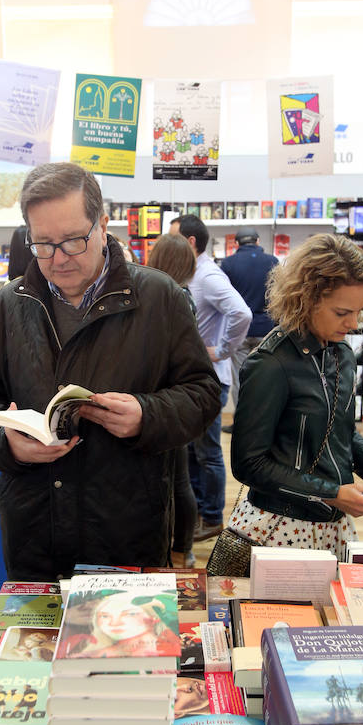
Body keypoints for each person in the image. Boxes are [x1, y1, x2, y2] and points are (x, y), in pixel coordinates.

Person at [0, 162, 221, 580]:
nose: (57, 258)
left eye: (73, 241)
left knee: (124, 642)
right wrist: (5, 443)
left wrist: (146, 415)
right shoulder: (7, 307)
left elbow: (204, 394)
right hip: (34, 535)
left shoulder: (159, 298)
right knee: (35, 645)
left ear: (102, 224)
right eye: (42, 244)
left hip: (126, 530)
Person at [230, 233, 363, 563]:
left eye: (359, 311)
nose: (353, 323)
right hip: (279, 528)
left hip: (332, 523)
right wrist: (332, 493)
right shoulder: (271, 364)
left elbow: (342, 430)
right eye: (342, 312)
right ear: (307, 298)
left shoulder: (340, 354)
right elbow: (248, 463)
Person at [169, 214, 252, 541]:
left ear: (190, 243)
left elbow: (241, 312)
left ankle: (213, 517)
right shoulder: (194, 274)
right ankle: (203, 512)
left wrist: (221, 349)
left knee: (207, 452)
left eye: (174, 239)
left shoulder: (207, 276)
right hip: (197, 378)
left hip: (211, 379)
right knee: (194, 451)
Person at [148, 233, 199, 568]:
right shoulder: (185, 296)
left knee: (177, 480)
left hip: (164, 401)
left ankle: (180, 549)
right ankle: (183, 548)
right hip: (176, 401)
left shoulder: (166, 299)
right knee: (181, 479)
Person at [219, 226, 278, 433]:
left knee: (240, 378)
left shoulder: (228, 264)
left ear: (236, 243)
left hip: (239, 330)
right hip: (266, 329)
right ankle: (265, 424)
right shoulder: (273, 262)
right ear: (258, 241)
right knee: (266, 378)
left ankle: (242, 423)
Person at [63, 592, 181, 659]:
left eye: (129, 614)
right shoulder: (86, 656)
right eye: (105, 616)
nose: (114, 623)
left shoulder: (172, 647)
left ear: (153, 618)